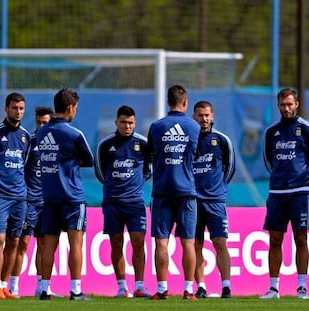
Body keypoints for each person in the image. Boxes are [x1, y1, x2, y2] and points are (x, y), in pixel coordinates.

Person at [261, 88, 309, 299]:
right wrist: (279, 176)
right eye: (282, 104)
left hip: (300, 193)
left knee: (301, 238)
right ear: (278, 105)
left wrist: (305, 179)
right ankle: (273, 288)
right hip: (277, 192)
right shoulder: (271, 132)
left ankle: (302, 287)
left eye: (289, 104)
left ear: (296, 103)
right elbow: (269, 160)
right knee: (275, 239)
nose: (286, 108)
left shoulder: (307, 129)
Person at [37, 88, 94, 301]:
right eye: (76, 108)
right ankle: (76, 290)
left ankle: (44, 289)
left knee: (49, 244)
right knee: (75, 244)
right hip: (72, 197)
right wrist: (69, 161)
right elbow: (88, 159)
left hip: (50, 196)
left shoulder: (42, 132)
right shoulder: (73, 133)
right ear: (70, 108)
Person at [147, 84, 200, 300]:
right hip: (186, 190)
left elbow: (151, 154)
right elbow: (195, 154)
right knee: (188, 242)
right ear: (185, 102)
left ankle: (162, 290)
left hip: (162, 191)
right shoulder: (193, 127)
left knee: (161, 242)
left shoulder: (156, 126)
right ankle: (188, 290)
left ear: (168, 102)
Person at [94, 105, 151, 298]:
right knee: (116, 243)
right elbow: (100, 171)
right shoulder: (105, 144)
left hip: (135, 202)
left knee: (138, 241)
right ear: (116, 123)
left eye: (131, 123)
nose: (127, 126)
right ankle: (121, 287)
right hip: (112, 202)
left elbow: (148, 169)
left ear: (135, 123)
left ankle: (140, 286)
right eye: (124, 122)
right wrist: (114, 185)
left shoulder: (143, 144)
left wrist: (134, 184)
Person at [0, 93, 31, 299]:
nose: (18, 112)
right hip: (0, 196)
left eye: (21, 108)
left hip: (20, 197)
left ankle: (5, 286)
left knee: (14, 240)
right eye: (15, 108)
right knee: (0, 238)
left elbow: (25, 165)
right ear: (6, 109)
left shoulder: (25, 136)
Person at [192, 101, 235, 299]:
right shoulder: (188, 140)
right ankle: (201, 287)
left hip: (215, 201)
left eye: (207, 115)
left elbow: (230, 167)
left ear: (213, 116)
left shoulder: (222, 140)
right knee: (195, 244)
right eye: (200, 115)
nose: (204, 119)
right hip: (192, 201)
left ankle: (226, 287)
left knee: (220, 242)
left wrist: (218, 188)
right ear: (194, 117)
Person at [9, 107, 54, 297]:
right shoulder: (29, 141)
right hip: (29, 200)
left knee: (44, 245)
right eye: (39, 122)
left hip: (49, 201)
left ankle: (42, 287)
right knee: (23, 243)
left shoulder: (55, 143)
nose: (42, 126)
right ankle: (13, 286)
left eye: (45, 123)